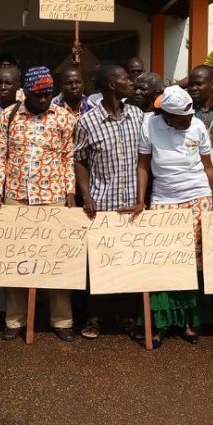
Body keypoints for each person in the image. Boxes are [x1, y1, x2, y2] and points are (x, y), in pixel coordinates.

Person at [131, 85, 213, 348]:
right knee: (165, 260)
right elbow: (143, 166)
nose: (188, 121)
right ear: (168, 116)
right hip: (165, 199)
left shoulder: (198, 127)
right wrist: (140, 200)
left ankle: (191, 321)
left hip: (198, 196)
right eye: (183, 118)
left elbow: (208, 167)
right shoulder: (149, 126)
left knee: (194, 262)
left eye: (190, 115)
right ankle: (162, 321)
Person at [0, 66, 77, 343]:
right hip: (16, 197)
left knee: (57, 261)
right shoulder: (9, 116)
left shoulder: (64, 117)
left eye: (48, 94)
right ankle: (15, 319)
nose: (43, 99)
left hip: (53, 197)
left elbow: (67, 158)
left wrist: (70, 191)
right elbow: (0, 155)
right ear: (26, 92)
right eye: (38, 94)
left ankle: (62, 320)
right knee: (16, 260)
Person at [74, 63, 143, 339]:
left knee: (130, 263)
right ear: (113, 86)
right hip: (102, 205)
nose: (131, 82)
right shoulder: (87, 122)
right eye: (126, 79)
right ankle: (94, 319)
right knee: (98, 264)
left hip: (132, 206)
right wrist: (86, 195)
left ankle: (127, 318)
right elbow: (79, 160)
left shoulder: (137, 115)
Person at [187, 65, 213, 173]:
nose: (193, 88)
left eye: (198, 84)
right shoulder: (183, 111)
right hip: (188, 175)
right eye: (190, 84)